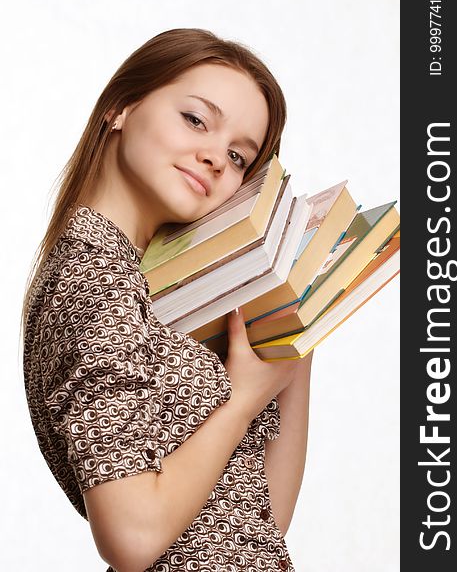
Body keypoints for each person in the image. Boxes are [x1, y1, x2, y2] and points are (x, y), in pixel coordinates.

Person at [21, 28, 314, 572]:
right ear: (121, 109)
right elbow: (132, 538)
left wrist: (295, 337)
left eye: (239, 155)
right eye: (196, 119)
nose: (215, 159)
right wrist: (244, 398)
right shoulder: (95, 275)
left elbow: (253, 524)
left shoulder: (151, 287)